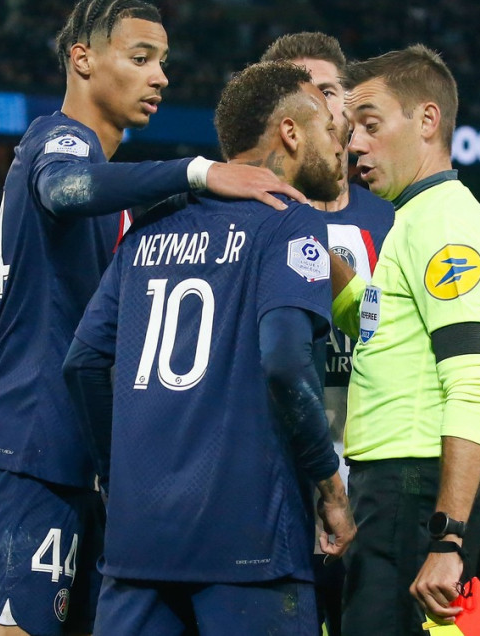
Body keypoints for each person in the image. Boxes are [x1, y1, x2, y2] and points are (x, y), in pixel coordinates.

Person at [0, 2, 307, 634]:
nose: (160, 76)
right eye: (141, 58)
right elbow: (61, 188)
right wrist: (198, 173)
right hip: (27, 447)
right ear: (82, 59)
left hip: (67, 455)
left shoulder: (111, 188)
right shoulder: (63, 139)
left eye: (163, 61)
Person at [62, 60, 356, 635]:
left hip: (138, 542)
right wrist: (330, 487)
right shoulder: (289, 223)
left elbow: (85, 364)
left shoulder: (151, 225)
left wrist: (114, 475)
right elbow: (286, 364)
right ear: (290, 134)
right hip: (248, 539)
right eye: (326, 127)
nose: (338, 142)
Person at [329, 45, 480, 634]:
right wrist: (304, 239)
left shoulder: (443, 225)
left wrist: (448, 536)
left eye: (370, 126)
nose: (355, 144)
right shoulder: (414, 219)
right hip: (401, 484)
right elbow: (376, 324)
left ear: (427, 121)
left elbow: (472, 382)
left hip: (414, 486)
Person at [260, 31, 395, 636]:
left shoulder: (395, 219)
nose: (318, 104)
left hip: (380, 489)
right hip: (279, 493)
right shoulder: (252, 221)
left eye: (330, 90)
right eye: (299, 91)